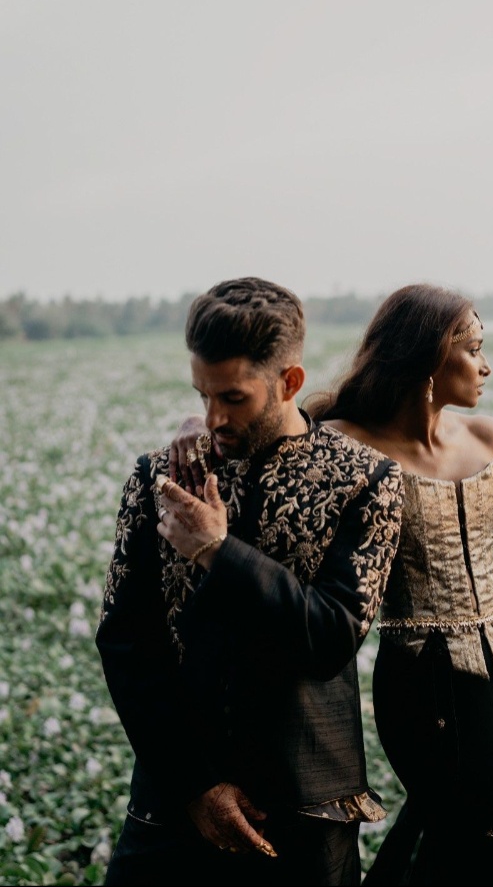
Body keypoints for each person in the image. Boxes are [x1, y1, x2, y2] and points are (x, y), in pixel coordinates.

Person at [171, 283, 493, 886]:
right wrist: (192, 425)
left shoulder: (488, 437)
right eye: (473, 348)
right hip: (420, 680)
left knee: (476, 838)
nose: (485, 364)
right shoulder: (341, 441)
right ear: (430, 358)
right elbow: (258, 428)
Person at [96, 277, 403, 887]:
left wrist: (217, 550)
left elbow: (330, 637)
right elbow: (126, 644)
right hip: (172, 797)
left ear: (289, 382)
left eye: (232, 398)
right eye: (201, 395)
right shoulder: (161, 475)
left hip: (308, 803)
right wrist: (196, 785)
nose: (213, 419)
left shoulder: (367, 481)